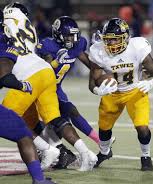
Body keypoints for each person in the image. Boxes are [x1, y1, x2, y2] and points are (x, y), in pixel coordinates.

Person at [2, 2, 97, 171]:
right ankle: (86, 153)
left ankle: (48, 150)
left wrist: (21, 84)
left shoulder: (6, 30)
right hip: (45, 72)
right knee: (53, 118)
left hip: (28, 77)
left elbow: (5, 72)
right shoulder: (28, 28)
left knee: (8, 118)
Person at [88, 18, 153, 171]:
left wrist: (151, 82)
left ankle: (146, 156)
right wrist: (98, 90)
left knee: (142, 127)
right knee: (104, 129)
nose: (111, 44)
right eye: (108, 40)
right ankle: (104, 152)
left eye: (115, 40)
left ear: (126, 38)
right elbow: (93, 81)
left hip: (135, 91)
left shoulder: (137, 47)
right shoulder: (98, 51)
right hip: (112, 93)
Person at [35, 16, 101, 169]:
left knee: (66, 116)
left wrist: (105, 66)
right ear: (58, 35)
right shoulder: (47, 45)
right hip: (42, 89)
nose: (73, 38)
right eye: (68, 35)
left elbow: (91, 64)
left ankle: (95, 144)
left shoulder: (77, 45)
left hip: (56, 89)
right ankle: (53, 150)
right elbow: (44, 71)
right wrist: (55, 62)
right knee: (47, 122)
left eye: (74, 34)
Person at [0, 9, 55, 184]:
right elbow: (5, 76)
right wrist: (22, 85)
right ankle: (39, 180)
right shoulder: (4, 42)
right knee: (24, 135)